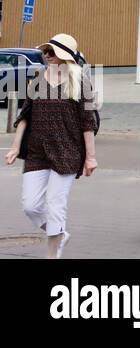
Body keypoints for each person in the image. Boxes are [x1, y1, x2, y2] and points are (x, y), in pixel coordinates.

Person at [5, 33, 98, 259]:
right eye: (45, 51)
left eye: (51, 52)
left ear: (64, 56)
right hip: (37, 151)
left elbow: (88, 124)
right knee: (30, 205)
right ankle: (59, 234)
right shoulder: (38, 80)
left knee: (56, 205)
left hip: (68, 151)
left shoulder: (80, 82)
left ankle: (52, 254)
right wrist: (16, 147)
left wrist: (91, 157)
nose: (46, 56)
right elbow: (24, 116)